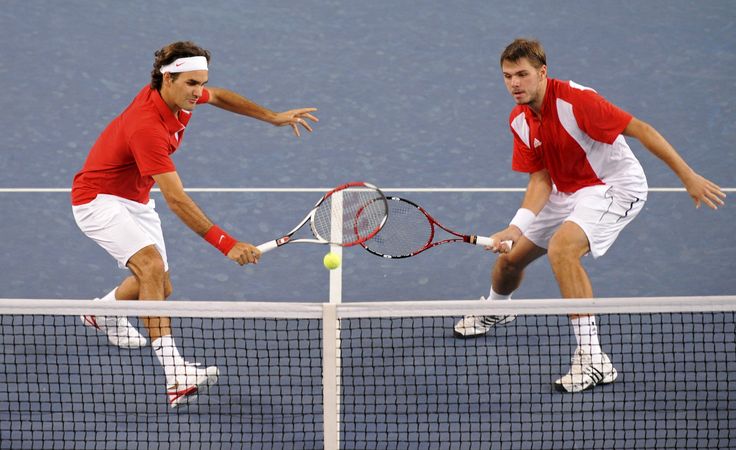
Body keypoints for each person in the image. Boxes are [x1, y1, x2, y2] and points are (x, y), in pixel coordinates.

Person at [454, 38, 725, 393]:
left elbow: (641, 128)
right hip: (567, 190)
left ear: (542, 73)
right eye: (507, 76)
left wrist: (688, 176)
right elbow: (541, 178)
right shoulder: (519, 120)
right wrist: (516, 227)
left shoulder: (576, 101)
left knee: (563, 249)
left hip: (614, 185)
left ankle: (593, 358)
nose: (514, 84)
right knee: (509, 264)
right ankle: (497, 307)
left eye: (522, 74)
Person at [71, 41, 318, 407]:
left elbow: (218, 97)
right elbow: (176, 199)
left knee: (159, 286)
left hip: (134, 199)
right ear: (167, 79)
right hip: (97, 200)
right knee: (151, 267)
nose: (198, 92)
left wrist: (273, 116)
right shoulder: (146, 128)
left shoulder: (178, 97)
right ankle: (176, 375)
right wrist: (227, 243)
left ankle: (101, 313)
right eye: (191, 84)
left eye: (200, 82)